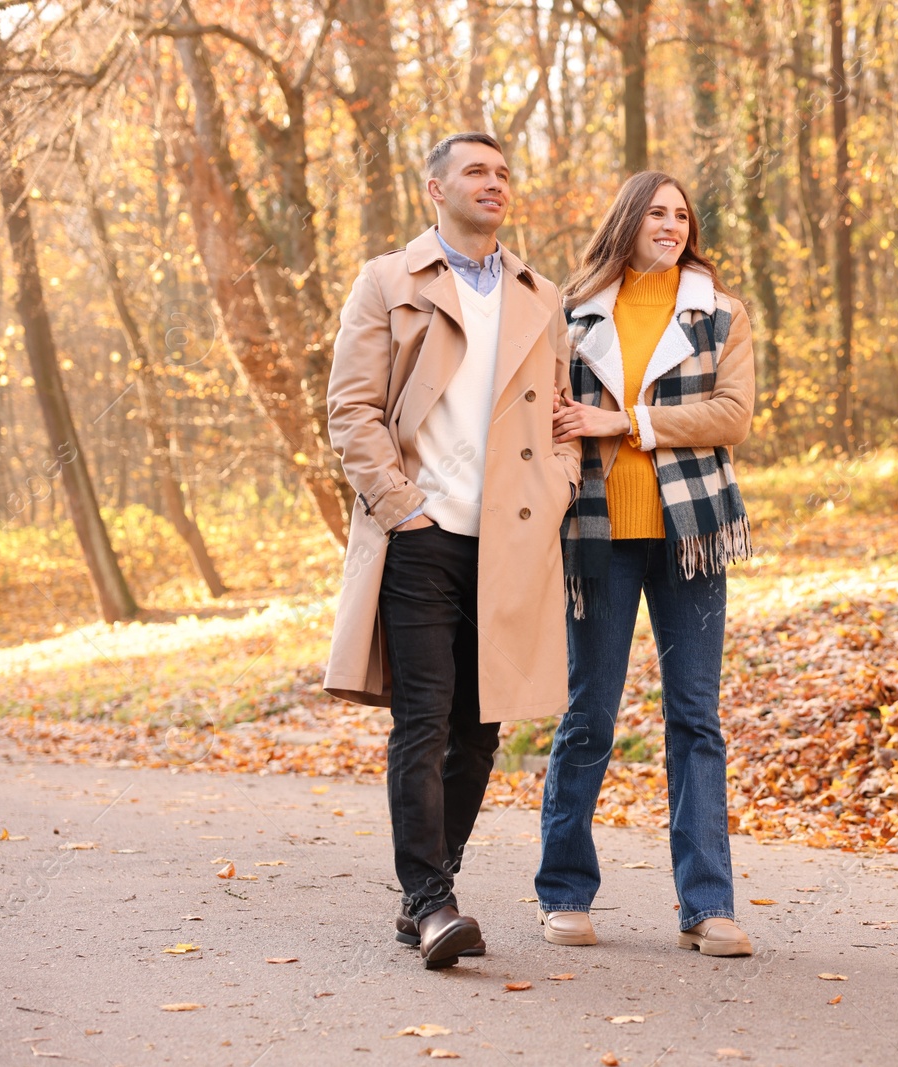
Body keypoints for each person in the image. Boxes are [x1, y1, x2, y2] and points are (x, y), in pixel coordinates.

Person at [323, 132, 580, 969]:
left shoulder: (540, 295)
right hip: (420, 538)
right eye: (476, 170)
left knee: (478, 733)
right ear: (434, 187)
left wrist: (558, 491)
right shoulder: (387, 281)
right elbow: (352, 410)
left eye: (504, 172)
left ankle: (430, 887)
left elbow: (562, 419)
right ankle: (434, 902)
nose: (495, 182)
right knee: (424, 719)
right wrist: (401, 509)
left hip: (508, 540)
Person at [535, 171, 756, 957]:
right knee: (588, 711)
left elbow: (732, 416)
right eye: (656, 212)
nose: (670, 223)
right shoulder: (565, 313)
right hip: (593, 530)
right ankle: (563, 890)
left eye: (681, 214)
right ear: (628, 221)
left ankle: (708, 905)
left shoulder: (720, 313)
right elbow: (551, 418)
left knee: (696, 718)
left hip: (691, 532)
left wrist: (624, 421)